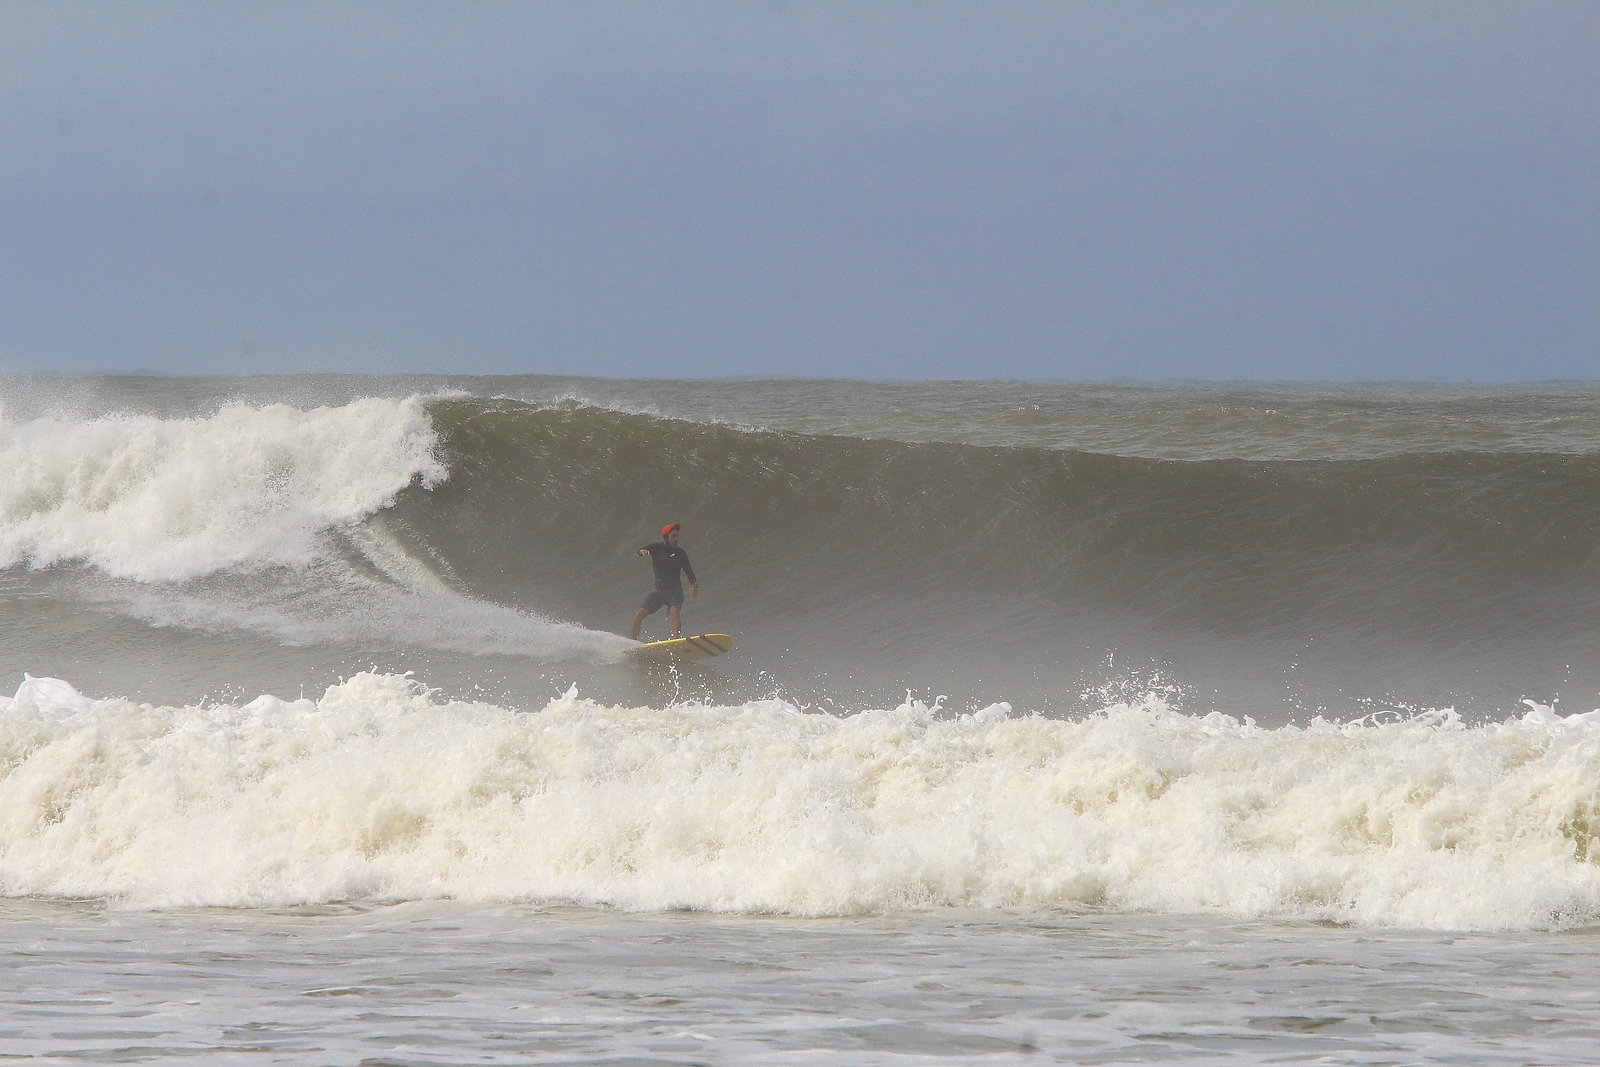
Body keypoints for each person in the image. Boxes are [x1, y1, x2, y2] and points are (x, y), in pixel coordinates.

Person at [629, 523, 698, 640]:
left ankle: (676, 640)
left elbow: (688, 570)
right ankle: (631, 642)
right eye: (673, 536)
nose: (676, 538)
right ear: (666, 537)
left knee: (674, 612)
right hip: (659, 591)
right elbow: (641, 551)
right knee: (639, 614)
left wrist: (694, 585)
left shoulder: (680, 553)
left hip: (675, 591)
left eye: (677, 536)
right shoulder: (656, 547)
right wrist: (643, 552)